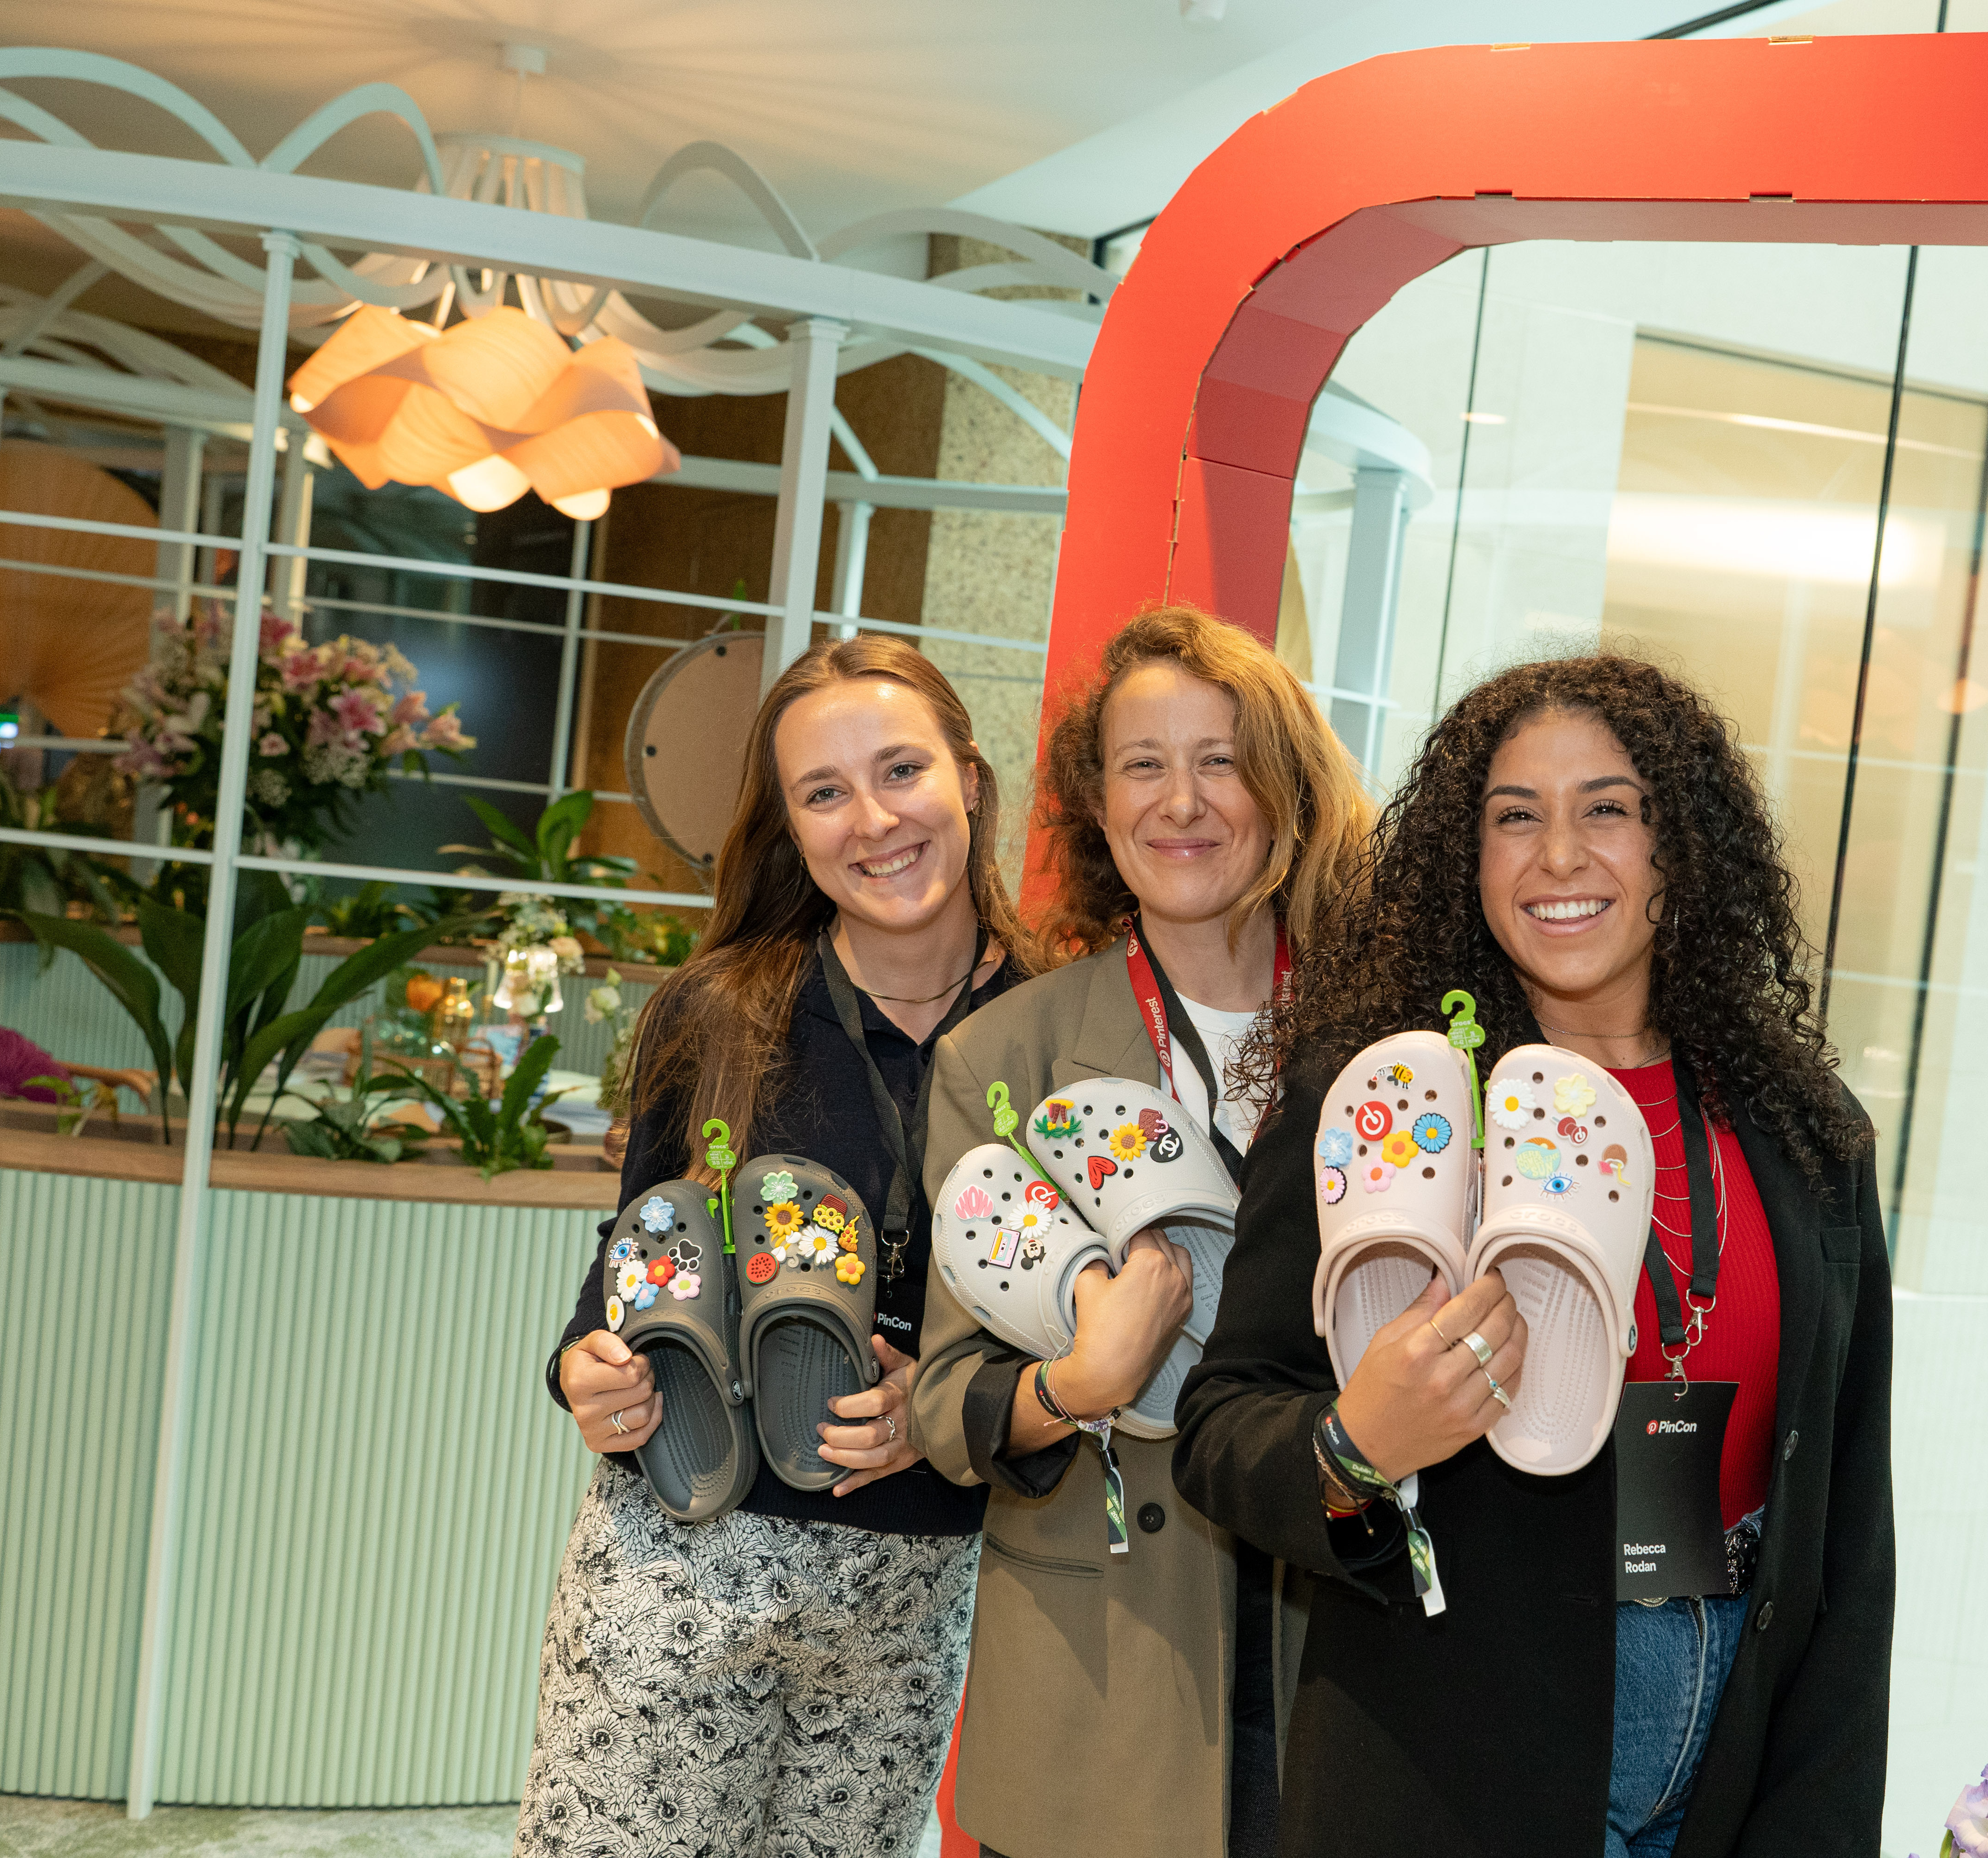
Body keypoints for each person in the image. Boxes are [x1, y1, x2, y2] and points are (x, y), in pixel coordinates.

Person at [1175, 654, 1894, 1858]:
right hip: (1451, 1767)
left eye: (1607, 808)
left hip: (1734, 1762)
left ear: (1683, 846)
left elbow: (1846, 1532)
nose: (1560, 855)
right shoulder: (1390, 1106)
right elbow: (1222, 1426)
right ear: (1471, 858)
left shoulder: (1804, 1130)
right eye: (1516, 818)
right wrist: (1359, 1449)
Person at [517, 635, 1048, 1858]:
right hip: (679, 1560)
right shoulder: (717, 1010)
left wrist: (956, 1402)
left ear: (970, 777)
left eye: (902, 769)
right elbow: (622, 1277)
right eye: (825, 792)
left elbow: (1080, 1340)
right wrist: (582, 1375)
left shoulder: (1059, 1033)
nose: (873, 819)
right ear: (793, 830)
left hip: (908, 1593)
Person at [911, 606, 1373, 1858]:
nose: (1184, 801)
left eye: (1221, 759)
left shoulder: (1390, 1048)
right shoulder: (1007, 1056)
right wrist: (1079, 1382)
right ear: (1100, 807)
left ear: (1282, 791)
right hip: (1105, 1677)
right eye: (1144, 765)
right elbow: (948, 1402)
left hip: (1332, 1647)